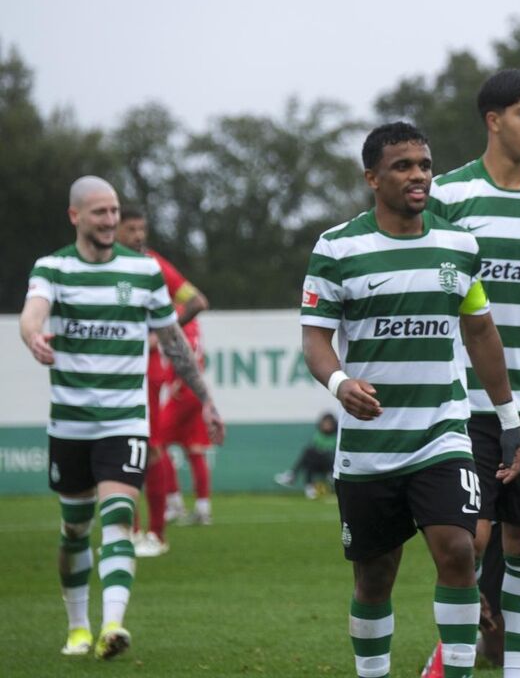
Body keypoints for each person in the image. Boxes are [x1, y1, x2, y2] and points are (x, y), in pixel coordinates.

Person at [299, 122, 520, 678]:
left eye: (424, 164)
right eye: (403, 166)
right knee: (374, 576)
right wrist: (340, 385)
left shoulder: (458, 245)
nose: (418, 175)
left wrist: (509, 417)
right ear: (372, 178)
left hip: (442, 433)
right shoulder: (337, 248)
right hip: (369, 448)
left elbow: (481, 334)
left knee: (458, 549)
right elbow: (315, 340)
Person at [19, 175, 225, 660]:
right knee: (74, 527)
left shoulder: (144, 271)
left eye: (115, 212)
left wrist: (208, 399)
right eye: (100, 212)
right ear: (76, 216)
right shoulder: (53, 267)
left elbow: (174, 341)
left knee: (117, 516)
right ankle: (76, 626)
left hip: (124, 422)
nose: (111, 221)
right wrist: (33, 335)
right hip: (70, 424)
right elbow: (34, 311)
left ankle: (112, 624)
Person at [424, 68, 520, 678]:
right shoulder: (449, 196)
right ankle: (451, 656)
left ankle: (515, 669)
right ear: (493, 120)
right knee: (469, 541)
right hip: (464, 401)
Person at [115, 205, 213, 557]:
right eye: (131, 230)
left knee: (151, 448)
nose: (138, 236)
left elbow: (197, 300)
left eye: (142, 229)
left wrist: (161, 331)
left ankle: (154, 533)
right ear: (114, 230)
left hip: (146, 373)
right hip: (108, 374)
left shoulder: (154, 265)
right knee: (118, 452)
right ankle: (129, 532)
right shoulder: (104, 267)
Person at [275, 412, 338, 498]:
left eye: (329, 423)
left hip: (331, 465)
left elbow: (332, 451)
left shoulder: (336, 436)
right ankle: (309, 488)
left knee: (310, 452)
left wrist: (322, 452)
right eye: (325, 423)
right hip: (317, 464)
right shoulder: (318, 435)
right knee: (308, 460)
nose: (326, 425)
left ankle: (292, 475)